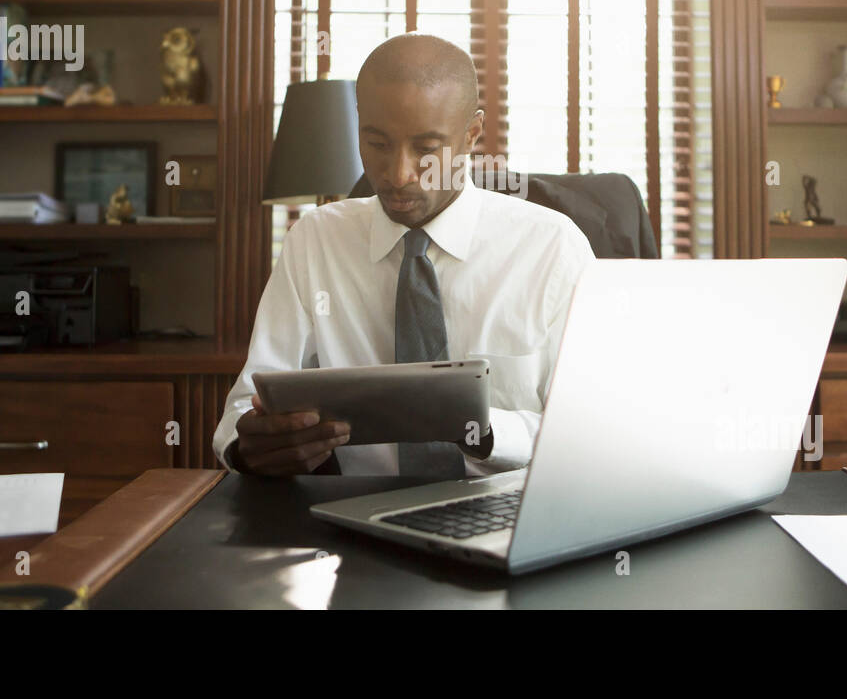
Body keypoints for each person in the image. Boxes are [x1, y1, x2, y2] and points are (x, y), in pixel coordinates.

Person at [213, 33, 594, 476]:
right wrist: (252, 446)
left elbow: (590, 431)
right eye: (377, 144)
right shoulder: (314, 241)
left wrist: (484, 429)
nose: (398, 174)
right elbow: (242, 411)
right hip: (356, 513)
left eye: (426, 149)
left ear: (472, 134)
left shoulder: (551, 249)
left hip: (508, 511)